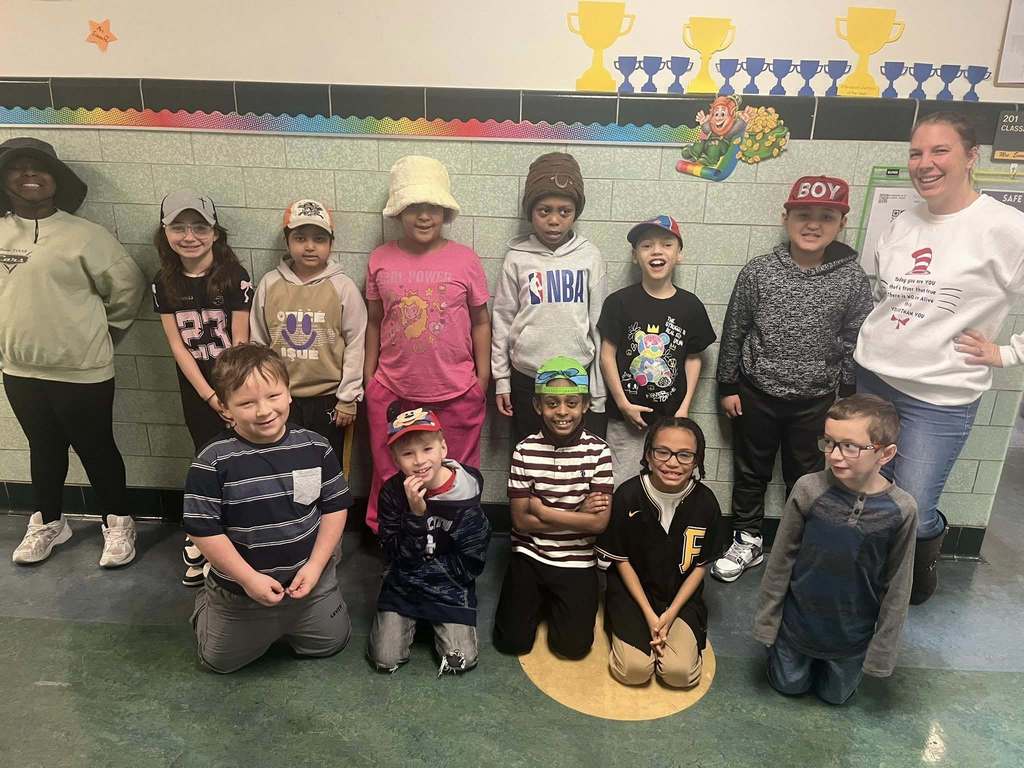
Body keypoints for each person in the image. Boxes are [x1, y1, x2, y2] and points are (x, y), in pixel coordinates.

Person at [855, 112, 1024, 604]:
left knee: (915, 504)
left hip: (941, 396)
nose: (924, 163)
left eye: (939, 151)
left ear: (972, 156)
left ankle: (918, 577)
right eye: (916, 153)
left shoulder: (1005, 227)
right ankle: (871, 581)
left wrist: (1007, 352)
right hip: (874, 378)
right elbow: (892, 297)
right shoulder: (904, 221)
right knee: (871, 493)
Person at [713, 175, 873, 584]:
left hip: (817, 400)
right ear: (786, 218)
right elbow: (735, 329)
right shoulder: (759, 271)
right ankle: (747, 539)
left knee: (805, 476)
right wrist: (728, 385)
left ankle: (794, 542)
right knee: (751, 471)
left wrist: (847, 398)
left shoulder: (852, 278)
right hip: (756, 392)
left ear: (842, 222)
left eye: (826, 216)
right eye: (803, 214)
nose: (813, 224)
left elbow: (856, 337)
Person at [1, 137, 146, 568]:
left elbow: (128, 289)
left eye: (39, 168)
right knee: (43, 447)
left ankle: (119, 523)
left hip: (83, 370)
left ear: (57, 180)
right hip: (19, 368)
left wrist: (107, 335)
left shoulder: (87, 236)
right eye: (18, 168)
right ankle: (48, 521)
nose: (30, 175)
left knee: (96, 447)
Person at [183, 344, 353, 673]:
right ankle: (208, 603)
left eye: (273, 396)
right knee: (218, 662)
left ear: (289, 394)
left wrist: (316, 566)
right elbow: (203, 530)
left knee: (332, 643)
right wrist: (247, 579)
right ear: (225, 409)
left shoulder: (316, 447)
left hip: (308, 584)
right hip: (241, 593)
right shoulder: (212, 461)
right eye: (247, 403)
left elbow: (334, 507)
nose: (264, 411)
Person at [753, 394, 917, 705]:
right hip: (797, 627)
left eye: (850, 446)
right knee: (788, 687)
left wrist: (882, 652)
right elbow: (781, 561)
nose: (835, 455)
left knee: (835, 697)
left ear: (886, 453)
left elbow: (898, 586)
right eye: (829, 442)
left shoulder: (902, 509)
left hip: (851, 636)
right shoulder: (808, 489)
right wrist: (767, 622)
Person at [363, 156, 490, 534]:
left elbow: (481, 322)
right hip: (393, 390)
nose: (423, 216)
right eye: (414, 207)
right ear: (399, 210)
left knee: (457, 473)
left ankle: (453, 538)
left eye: (432, 207)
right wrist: (370, 380)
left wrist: (481, 381)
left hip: (456, 390)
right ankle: (393, 539)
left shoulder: (465, 260)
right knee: (392, 472)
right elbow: (373, 321)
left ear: (445, 211)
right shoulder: (380, 259)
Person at [152, 189, 252, 586]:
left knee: (238, 459)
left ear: (214, 233)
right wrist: (209, 396)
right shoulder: (164, 283)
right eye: (179, 227)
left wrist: (228, 394)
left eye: (199, 226)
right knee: (205, 460)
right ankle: (202, 533)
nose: (189, 235)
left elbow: (241, 340)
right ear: (165, 231)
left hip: (234, 385)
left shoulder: (234, 278)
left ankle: (235, 532)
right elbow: (177, 345)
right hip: (197, 390)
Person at [492, 356, 614, 659]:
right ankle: (539, 598)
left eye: (572, 403)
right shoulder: (524, 451)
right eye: (552, 403)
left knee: (572, 649)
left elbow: (599, 525)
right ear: (537, 406)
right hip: (530, 554)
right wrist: (579, 516)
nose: (562, 412)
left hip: (577, 560)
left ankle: (556, 601)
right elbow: (521, 522)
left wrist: (544, 512)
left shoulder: (599, 452)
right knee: (511, 644)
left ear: (585, 405)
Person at [595, 417, 727, 688]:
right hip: (634, 596)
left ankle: (675, 639)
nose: (673, 462)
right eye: (662, 452)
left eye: (685, 455)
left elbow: (700, 567)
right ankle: (624, 630)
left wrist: (669, 615)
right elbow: (621, 561)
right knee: (633, 671)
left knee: (678, 675)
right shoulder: (628, 496)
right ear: (648, 455)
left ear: (697, 459)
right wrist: (650, 615)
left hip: (679, 597)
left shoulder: (706, 503)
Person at [491, 151, 607, 443]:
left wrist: (598, 388)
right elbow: (502, 321)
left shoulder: (589, 257)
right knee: (528, 454)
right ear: (530, 212)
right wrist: (502, 381)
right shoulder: (516, 258)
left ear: (574, 213)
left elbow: (598, 324)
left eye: (564, 211)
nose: (554, 220)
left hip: (575, 377)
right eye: (544, 211)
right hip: (527, 377)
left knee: (575, 460)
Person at [368, 407, 491, 676]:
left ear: (443, 448)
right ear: (395, 458)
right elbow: (392, 551)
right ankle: (411, 617)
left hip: (449, 584)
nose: (419, 461)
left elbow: (474, 559)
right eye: (407, 453)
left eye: (427, 449)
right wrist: (416, 515)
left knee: (461, 661)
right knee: (385, 659)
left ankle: (435, 617)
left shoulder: (466, 490)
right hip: (405, 581)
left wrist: (439, 580)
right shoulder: (392, 492)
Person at [250, 199, 366, 477]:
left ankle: (330, 517)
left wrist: (348, 397)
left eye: (319, 238)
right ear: (287, 241)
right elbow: (258, 342)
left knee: (327, 467)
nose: (310, 246)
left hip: (328, 400)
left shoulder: (343, 287)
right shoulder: (269, 284)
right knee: (283, 464)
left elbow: (357, 343)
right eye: (300, 238)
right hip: (281, 397)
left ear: (331, 243)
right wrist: (261, 394)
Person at [598, 215, 716, 486]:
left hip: (671, 417)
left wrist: (684, 409)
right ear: (634, 256)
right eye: (646, 245)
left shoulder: (690, 306)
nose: (657, 251)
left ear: (679, 254)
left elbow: (694, 358)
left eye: (666, 244)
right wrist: (623, 404)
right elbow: (607, 355)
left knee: (668, 481)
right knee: (622, 481)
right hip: (626, 419)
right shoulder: (619, 302)